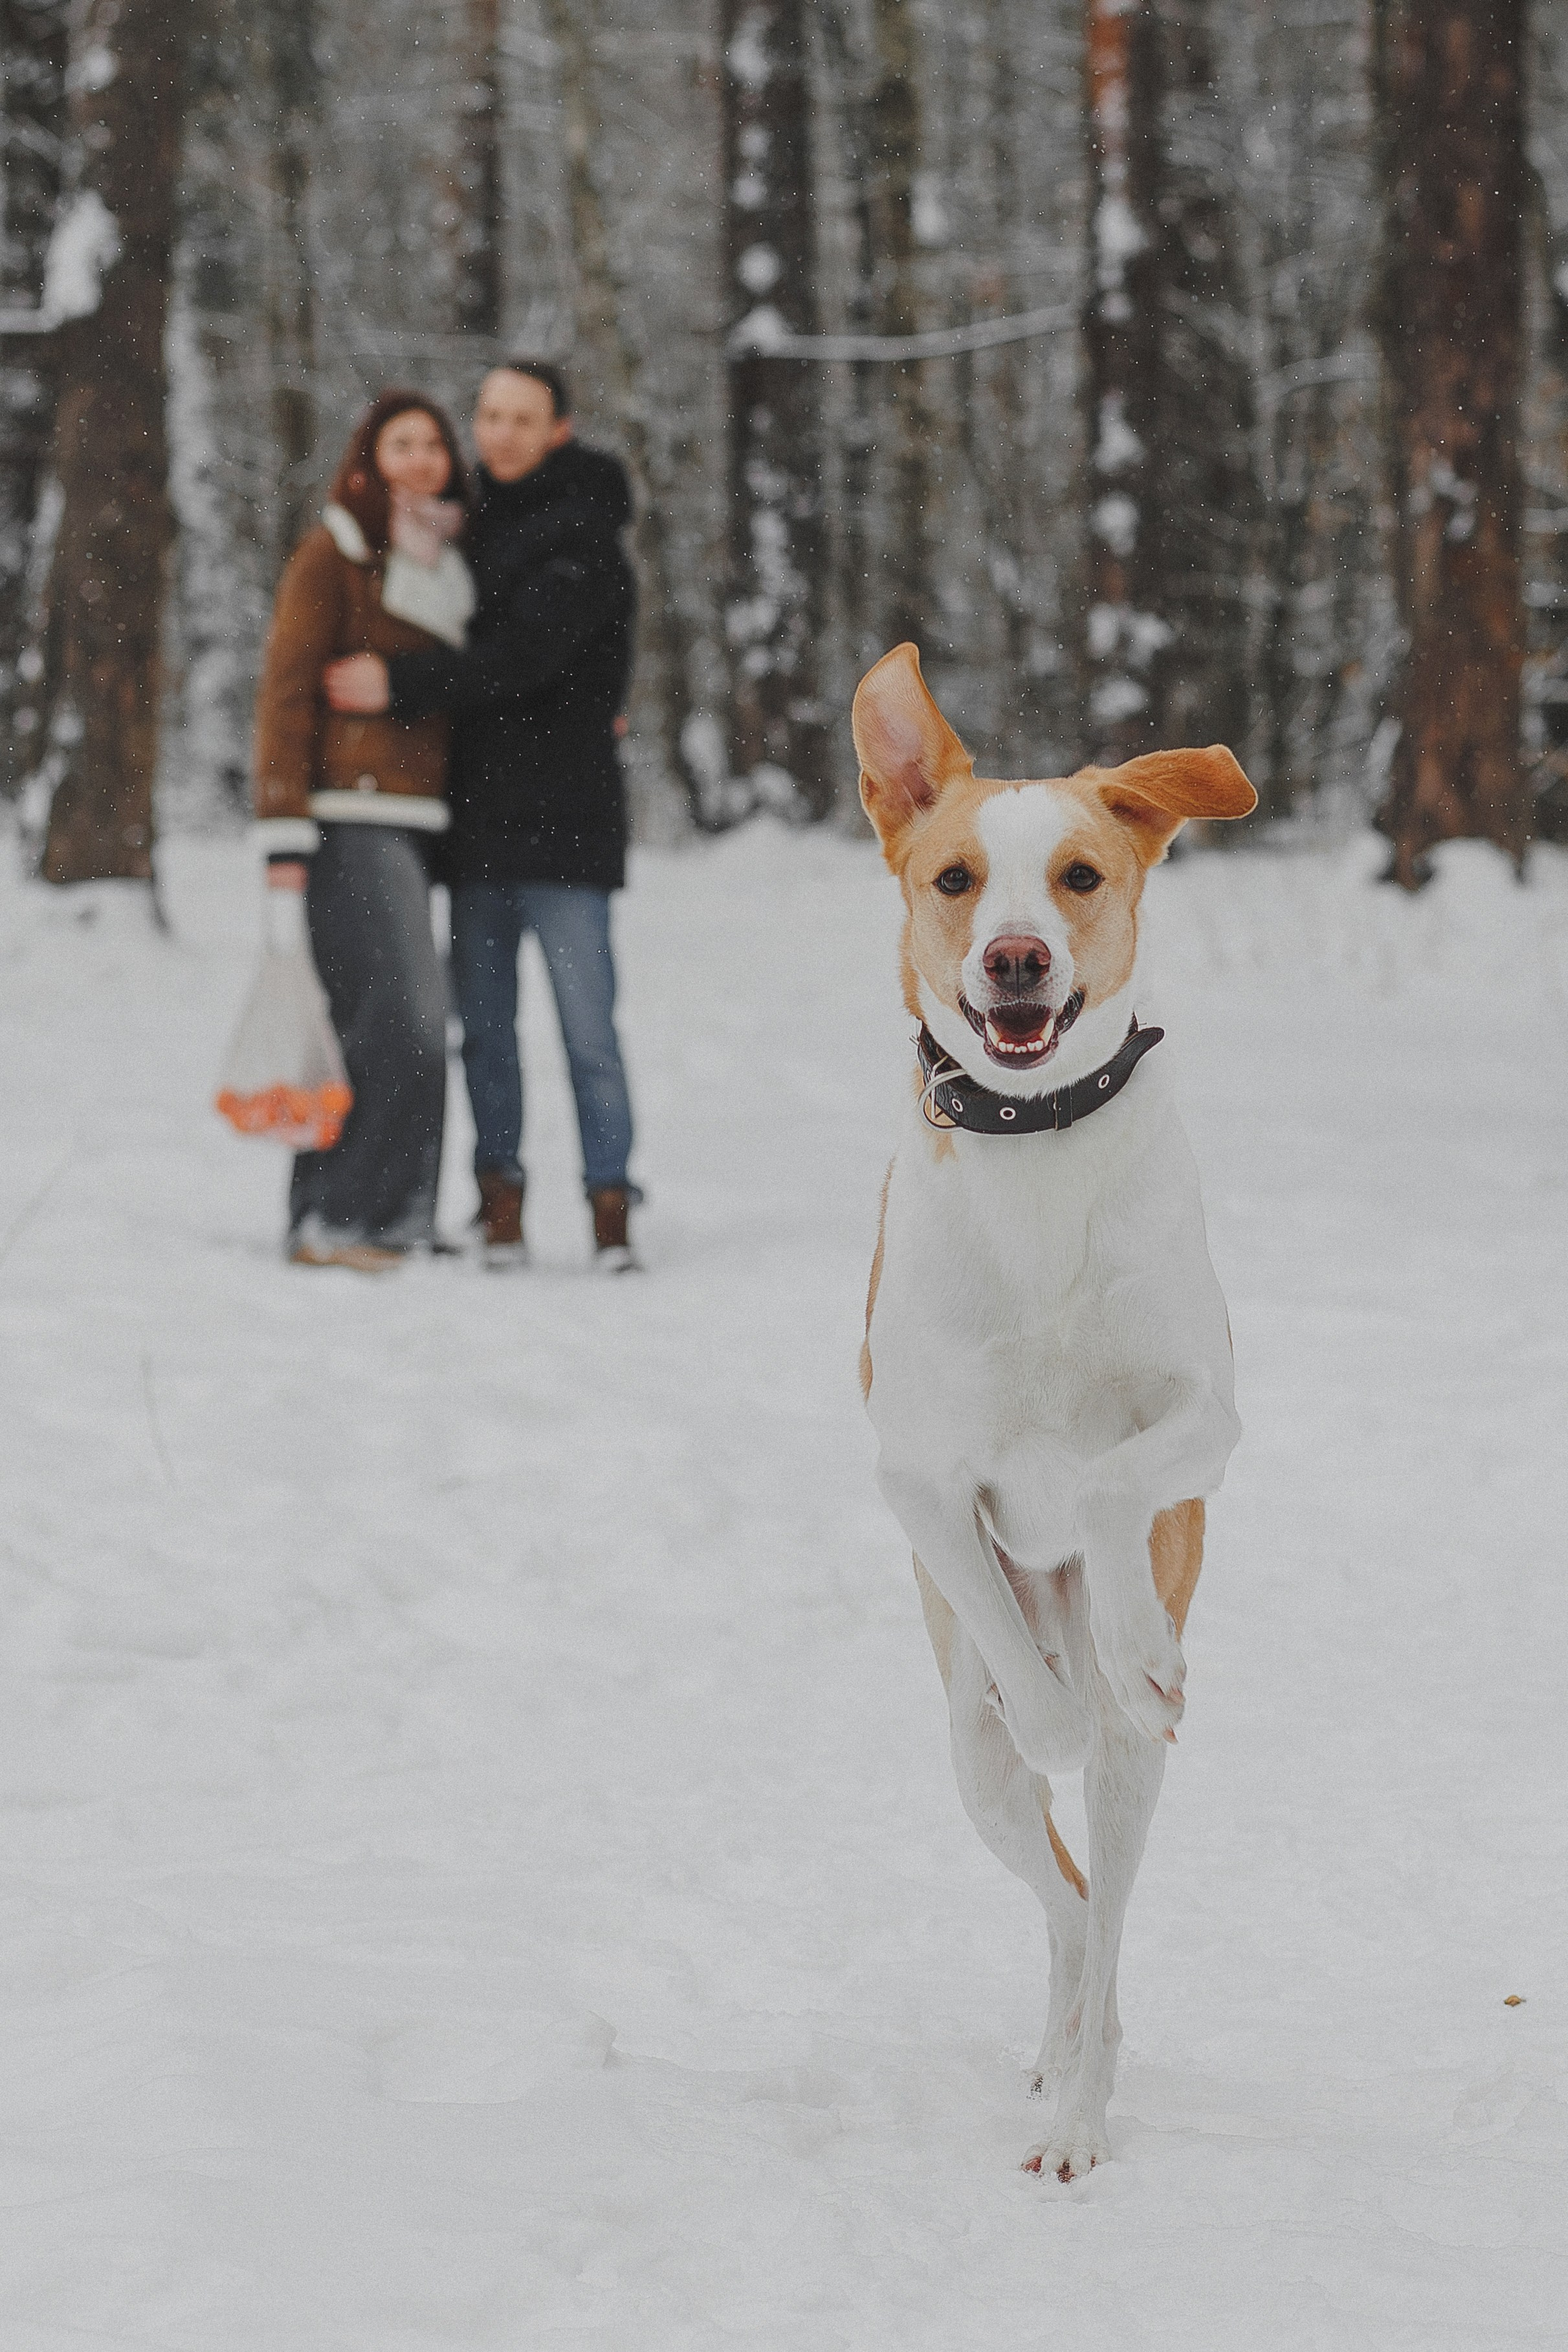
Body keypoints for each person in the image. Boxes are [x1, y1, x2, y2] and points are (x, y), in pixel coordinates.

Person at [324, 361, 640, 1273]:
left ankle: (609, 1206)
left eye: (522, 418)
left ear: (558, 430)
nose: (499, 433)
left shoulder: (583, 536)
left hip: (570, 835)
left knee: (589, 1035)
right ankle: (498, 1201)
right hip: (477, 831)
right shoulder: (463, 527)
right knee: (485, 1032)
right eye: (490, 415)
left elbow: (523, 656)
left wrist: (403, 682)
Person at [252, 390, 474, 1271]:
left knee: (389, 1024)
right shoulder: (335, 553)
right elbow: (284, 691)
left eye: (433, 446)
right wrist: (281, 830)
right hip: (349, 816)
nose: (421, 459)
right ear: (369, 458)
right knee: (404, 1022)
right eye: (402, 443)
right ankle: (343, 1219)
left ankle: (392, 1215)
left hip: (421, 824)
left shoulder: (451, 564)